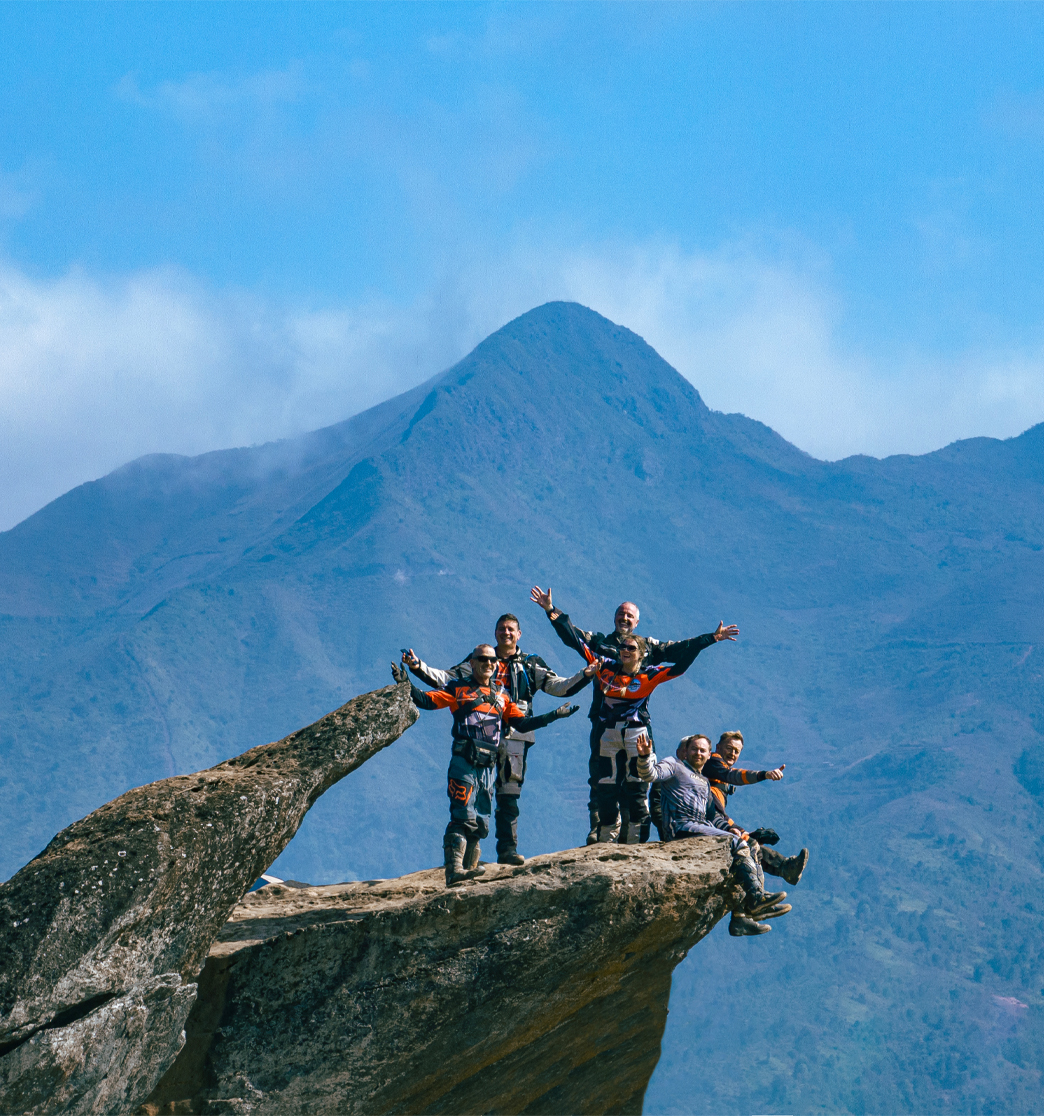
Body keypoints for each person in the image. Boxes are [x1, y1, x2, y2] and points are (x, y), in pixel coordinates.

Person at [530, 586, 738, 843]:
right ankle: (600, 836)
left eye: (630, 616)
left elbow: (681, 652)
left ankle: (634, 840)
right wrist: (552, 610)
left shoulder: (649, 649)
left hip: (638, 726)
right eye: (621, 614)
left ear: (637, 623)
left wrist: (711, 638)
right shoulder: (601, 647)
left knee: (637, 783)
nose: (625, 620)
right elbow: (573, 637)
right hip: (603, 722)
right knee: (602, 780)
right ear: (614, 617)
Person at [402, 613, 590, 865]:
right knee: (475, 794)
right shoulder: (479, 660)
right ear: (495, 633)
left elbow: (559, 686)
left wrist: (585, 675)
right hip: (476, 741)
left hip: (516, 734)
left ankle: (507, 850)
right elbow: (445, 680)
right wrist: (416, 667)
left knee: (508, 793)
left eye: (511, 629)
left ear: (519, 634)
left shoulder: (530, 664)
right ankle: (465, 862)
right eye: (502, 629)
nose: (506, 633)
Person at [635, 731, 789, 937]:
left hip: (699, 827)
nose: (698, 753)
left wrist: (730, 829)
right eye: (694, 749)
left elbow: (712, 817)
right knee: (738, 844)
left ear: (709, 755)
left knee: (747, 842)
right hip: (681, 827)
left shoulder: (704, 783)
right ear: (686, 752)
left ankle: (751, 906)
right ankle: (755, 898)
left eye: (702, 750)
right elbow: (650, 774)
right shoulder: (674, 765)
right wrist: (645, 757)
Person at [703, 730, 808, 886]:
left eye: (736, 751)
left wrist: (749, 833)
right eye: (729, 748)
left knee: (750, 839)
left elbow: (721, 814)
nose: (732, 753)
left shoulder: (718, 770)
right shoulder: (713, 760)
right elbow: (733, 775)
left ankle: (785, 868)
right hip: (707, 819)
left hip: (716, 817)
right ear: (718, 747)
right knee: (748, 845)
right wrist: (764, 774)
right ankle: (758, 892)